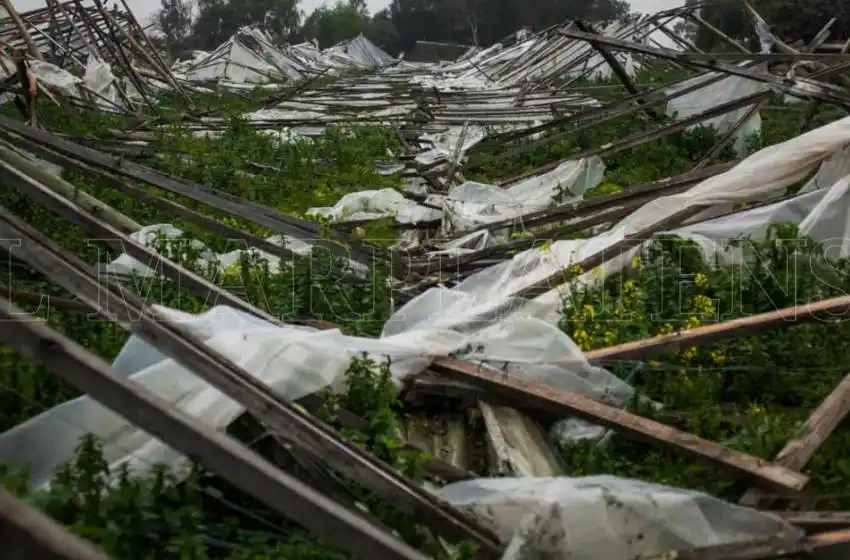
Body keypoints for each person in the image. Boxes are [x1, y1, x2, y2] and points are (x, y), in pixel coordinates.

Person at [0, 48, 38, 125]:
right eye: (14, 55)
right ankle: (27, 115)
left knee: (22, 98)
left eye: (16, 55)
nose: (14, 57)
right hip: (20, 79)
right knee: (8, 89)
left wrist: (33, 86)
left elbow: (32, 74)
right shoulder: (19, 62)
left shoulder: (26, 63)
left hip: (26, 86)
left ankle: (28, 116)